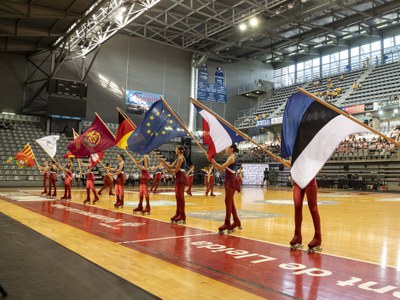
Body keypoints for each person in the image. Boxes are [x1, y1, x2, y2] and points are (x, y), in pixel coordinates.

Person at [211, 144, 241, 234]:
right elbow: (224, 169)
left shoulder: (232, 158)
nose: (225, 148)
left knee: (228, 202)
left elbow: (220, 168)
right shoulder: (230, 157)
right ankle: (236, 221)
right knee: (230, 202)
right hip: (229, 180)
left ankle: (227, 223)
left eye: (227, 147)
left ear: (231, 149)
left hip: (231, 182)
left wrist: (212, 160)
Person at [159, 146, 188, 224]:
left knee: (181, 197)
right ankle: (178, 213)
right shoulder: (178, 158)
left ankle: (182, 215)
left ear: (179, 150)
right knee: (177, 197)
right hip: (178, 177)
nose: (175, 150)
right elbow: (170, 166)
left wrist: (169, 170)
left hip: (181, 177)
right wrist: (163, 162)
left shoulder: (181, 158)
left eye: (176, 149)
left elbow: (176, 170)